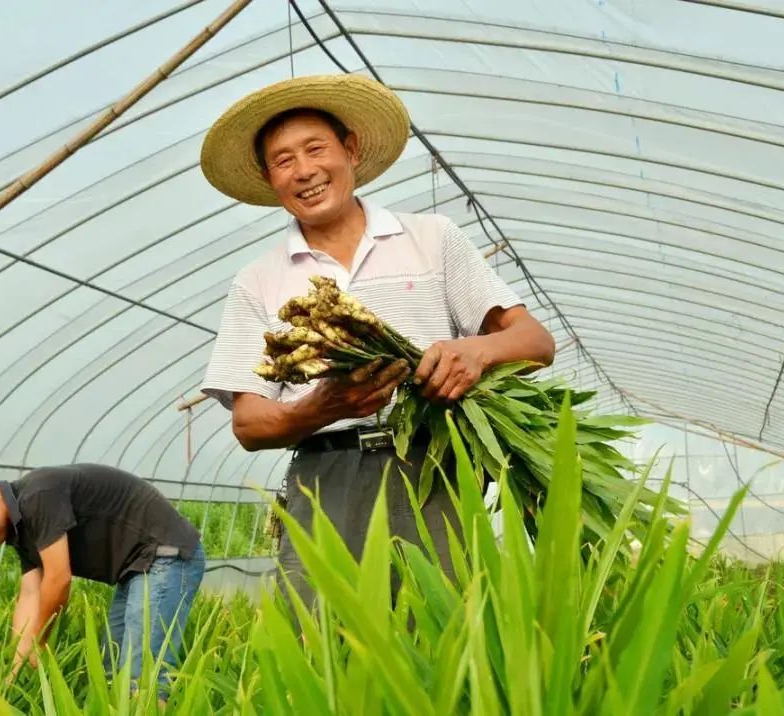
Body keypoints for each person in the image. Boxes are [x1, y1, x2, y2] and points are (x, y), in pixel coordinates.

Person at [198, 74, 555, 604]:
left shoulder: (431, 238)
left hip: (436, 468)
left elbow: (535, 342)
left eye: (316, 149)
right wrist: (322, 406)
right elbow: (249, 424)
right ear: (271, 179)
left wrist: (473, 352)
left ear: (351, 149)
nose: (305, 171)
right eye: (284, 160)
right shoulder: (259, 279)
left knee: (446, 632)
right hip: (327, 474)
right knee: (319, 642)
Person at [0, 463, 204, 702]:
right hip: (136, 569)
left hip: (167, 554)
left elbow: (58, 580)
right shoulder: (20, 531)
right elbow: (30, 594)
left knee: (140, 678)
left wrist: (39, 642)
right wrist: (16, 668)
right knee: (109, 671)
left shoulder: (38, 495)